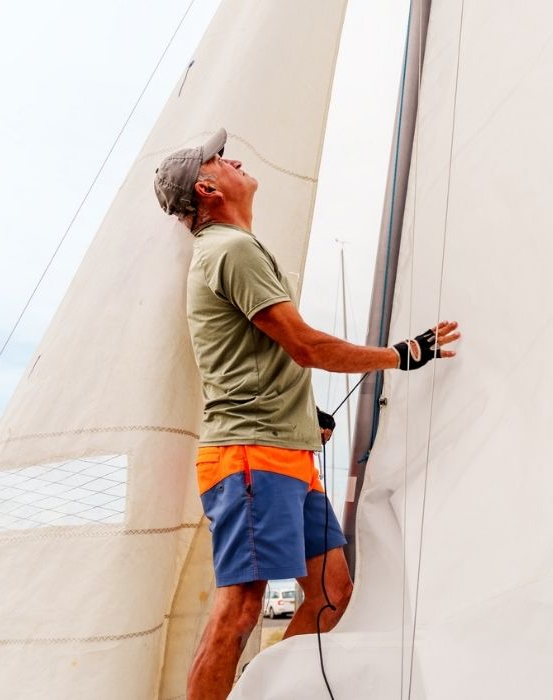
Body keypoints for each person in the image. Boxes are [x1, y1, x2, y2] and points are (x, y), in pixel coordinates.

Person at [153, 128, 460, 700]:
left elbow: (257, 355)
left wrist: (303, 413)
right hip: (251, 456)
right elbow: (304, 345)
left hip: (284, 453)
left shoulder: (235, 250)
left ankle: (253, 692)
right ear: (206, 188)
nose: (233, 159)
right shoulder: (230, 249)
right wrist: (402, 354)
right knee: (242, 606)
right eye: (220, 159)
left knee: (330, 596)